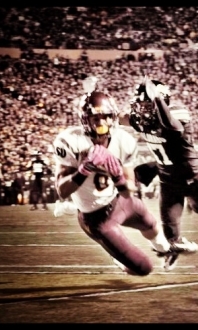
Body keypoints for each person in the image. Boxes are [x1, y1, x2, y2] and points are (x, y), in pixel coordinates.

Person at [52, 87, 180, 276]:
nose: (101, 123)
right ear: (85, 120)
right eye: (95, 118)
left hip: (119, 201)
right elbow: (62, 191)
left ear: (114, 117)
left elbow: (128, 190)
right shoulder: (70, 141)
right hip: (95, 217)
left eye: (106, 117)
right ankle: (117, 258)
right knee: (143, 269)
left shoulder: (124, 140)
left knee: (151, 224)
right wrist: (84, 169)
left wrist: (117, 176)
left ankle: (166, 251)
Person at [123, 76, 198, 270]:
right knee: (170, 226)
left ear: (160, 101)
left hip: (192, 174)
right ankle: (173, 250)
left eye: (146, 104)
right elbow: (117, 118)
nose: (141, 110)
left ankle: (192, 205)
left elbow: (173, 128)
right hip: (167, 176)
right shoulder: (142, 120)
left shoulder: (178, 113)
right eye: (139, 105)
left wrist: (158, 100)